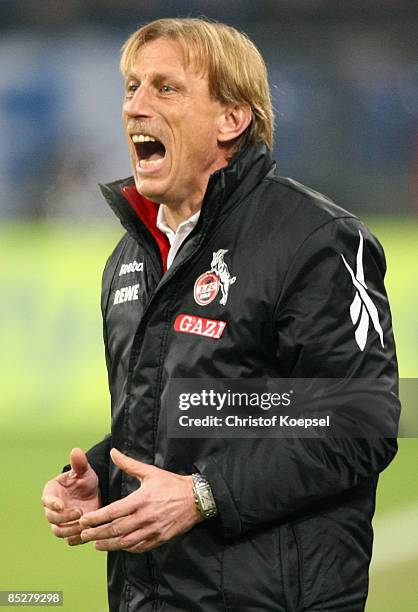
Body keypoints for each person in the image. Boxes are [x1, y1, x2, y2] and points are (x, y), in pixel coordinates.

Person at [41, 18, 400, 612]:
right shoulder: (131, 257)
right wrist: (104, 476)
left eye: (166, 88)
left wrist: (204, 495)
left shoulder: (314, 240)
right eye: (131, 87)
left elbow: (364, 417)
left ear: (232, 119)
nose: (136, 106)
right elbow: (184, 418)